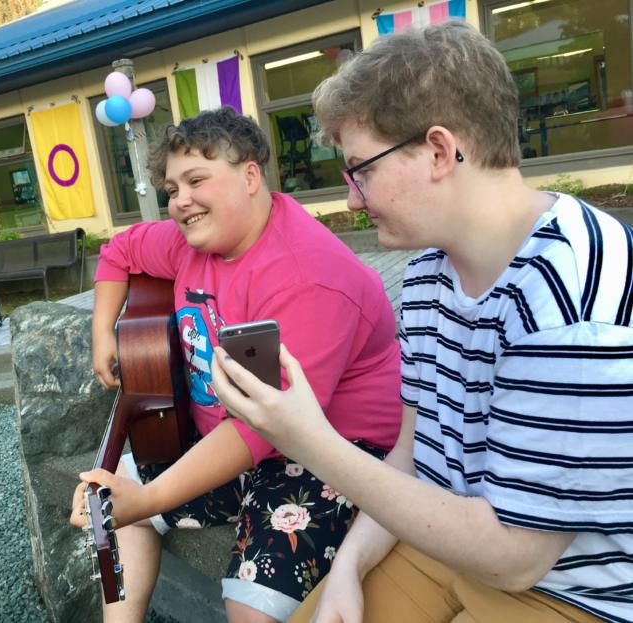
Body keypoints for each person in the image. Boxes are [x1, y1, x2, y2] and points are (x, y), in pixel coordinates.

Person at [211, 21, 633, 623]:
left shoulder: (571, 302)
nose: (353, 199)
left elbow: (516, 557)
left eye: (360, 169)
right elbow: (413, 453)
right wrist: (348, 571)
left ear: (439, 151)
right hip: (444, 544)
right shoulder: (428, 275)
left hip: (571, 592)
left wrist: (309, 441)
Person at [70, 106, 402, 623]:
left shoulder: (304, 277)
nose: (180, 202)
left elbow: (262, 427)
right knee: (114, 501)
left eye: (196, 180)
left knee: (251, 609)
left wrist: (152, 498)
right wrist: (102, 334)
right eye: (172, 189)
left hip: (330, 450)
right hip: (235, 432)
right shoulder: (193, 243)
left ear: (250, 175)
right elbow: (118, 251)